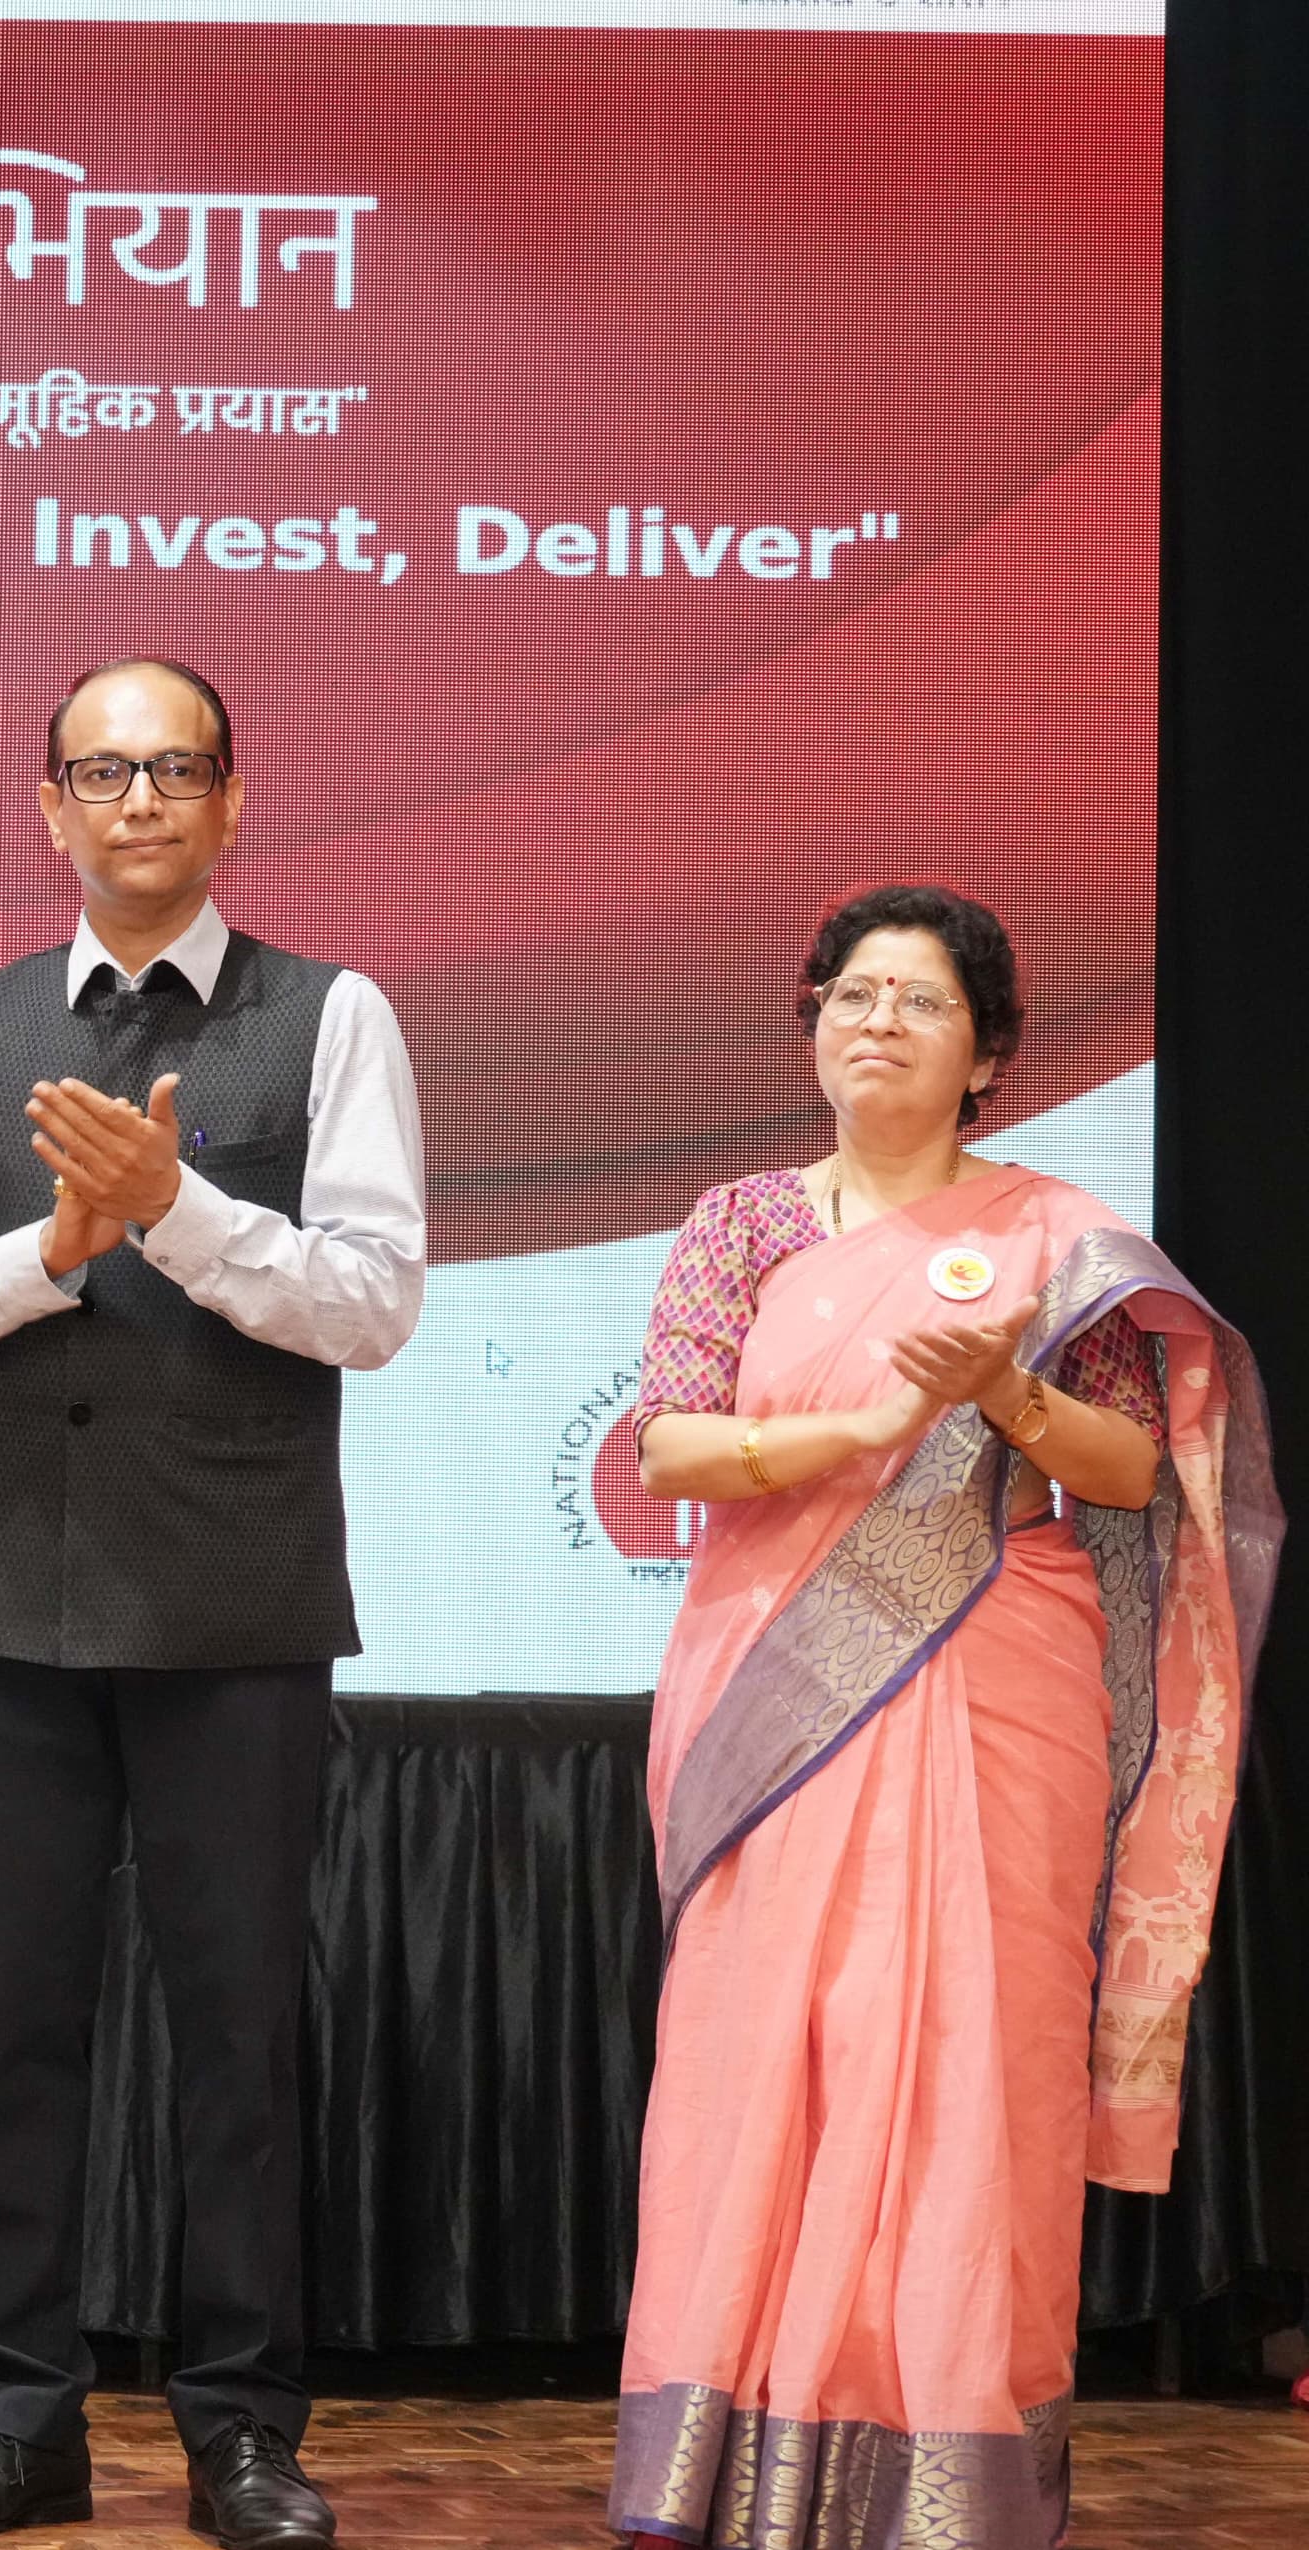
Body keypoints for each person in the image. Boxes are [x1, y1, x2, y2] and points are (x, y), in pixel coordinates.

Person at [0, 657, 423, 2549]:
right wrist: (50, 1248)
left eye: (175, 767)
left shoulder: (331, 1016)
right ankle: (16, 2420)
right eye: (102, 770)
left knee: (238, 2037)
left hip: (236, 1607)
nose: (139, 798)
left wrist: (181, 1211)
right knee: (6, 2027)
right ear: (50, 807)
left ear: (233, 799)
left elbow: (375, 1302)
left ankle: (243, 2432)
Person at [607, 887, 1274, 2550]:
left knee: (977, 2050)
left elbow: (1130, 1469)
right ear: (814, 1023)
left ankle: (948, 2462)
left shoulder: (1055, 1236)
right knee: (760, 2055)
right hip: (771, 1683)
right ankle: (726, 2461)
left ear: (987, 1054)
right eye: (853, 994)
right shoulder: (741, 1226)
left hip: (995, 1674)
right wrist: (859, 1431)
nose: (879, 1023)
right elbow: (672, 1443)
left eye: (919, 1001)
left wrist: (1003, 1395)